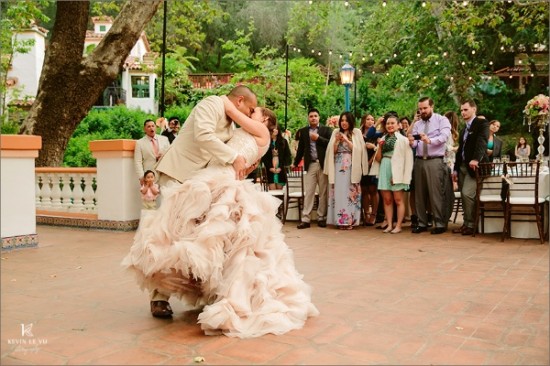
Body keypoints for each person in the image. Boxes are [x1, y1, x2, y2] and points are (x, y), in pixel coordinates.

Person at [122, 102, 319, 338]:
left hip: (219, 181)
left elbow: (234, 112)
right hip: (207, 177)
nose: (250, 112)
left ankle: (225, 294)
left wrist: (228, 103)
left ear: (265, 120)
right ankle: (174, 292)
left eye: (254, 112)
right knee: (198, 234)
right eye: (250, 108)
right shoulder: (238, 126)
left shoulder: (260, 130)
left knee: (210, 238)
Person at [146, 86, 257, 318]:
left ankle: (195, 291)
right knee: (168, 235)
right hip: (176, 175)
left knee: (193, 240)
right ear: (239, 101)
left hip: (197, 186)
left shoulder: (231, 124)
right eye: (251, 108)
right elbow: (203, 136)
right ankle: (158, 297)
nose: (250, 113)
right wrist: (233, 157)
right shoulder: (212, 104)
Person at [409, 97, 452, 235]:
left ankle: (439, 223)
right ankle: (422, 223)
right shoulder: (417, 124)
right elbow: (415, 143)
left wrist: (430, 140)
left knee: (436, 193)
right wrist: (411, 142)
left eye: (425, 108)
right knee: (419, 194)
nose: (422, 111)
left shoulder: (442, 120)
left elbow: (444, 137)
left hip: (435, 160)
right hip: (420, 160)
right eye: (420, 109)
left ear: (432, 106)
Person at [324, 112, 368, 230]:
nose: (344, 123)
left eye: (346, 120)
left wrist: (346, 140)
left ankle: (350, 221)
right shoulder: (335, 132)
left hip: (351, 165)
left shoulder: (356, 132)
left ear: (351, 121)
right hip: (338, 165)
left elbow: (359, 150)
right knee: (339, 192)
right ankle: (339, 221)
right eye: (342, 120)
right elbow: (331, 152)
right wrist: (337, 141)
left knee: (351, 192)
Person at [452, 100, 489, 236]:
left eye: (465, 110)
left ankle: (472, 225)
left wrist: (476, 159)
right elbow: (460, 150)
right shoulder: (463, 129)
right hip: (462, 166)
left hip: (475, 167)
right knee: (463, 195)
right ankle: (466, 224)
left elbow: (482, 142)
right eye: (461, 110)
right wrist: (455, 169)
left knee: (468, 194)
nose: (463, 112)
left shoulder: (482, 124)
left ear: (474, 109)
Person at [292, 108, 333, 229]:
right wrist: (295, 162)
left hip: (323, 164)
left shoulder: (326, 130)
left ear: (319, 117)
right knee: (309, 191)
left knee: (323, 192)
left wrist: (318, 138)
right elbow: (301, 149)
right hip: (310, 165)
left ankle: (322, 217)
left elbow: (331, 144)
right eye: (311, 116)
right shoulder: (304, 131)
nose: (313, 118)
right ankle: (305, 219)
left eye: (315, 116)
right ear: (308, 118)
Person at [374, 114, 414, 234]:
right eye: (387, 123)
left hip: (397, 168)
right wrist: (380, 147)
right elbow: (378, 158)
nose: (390, 125)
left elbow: (406, 159)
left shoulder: (402, 139)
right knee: (386, 199)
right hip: (384, 166)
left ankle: (399, 225)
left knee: (398, 199)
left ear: (398, 125)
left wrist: (398, 174)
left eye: (392, 123)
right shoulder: (383, 139)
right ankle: (390, 224)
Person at [134, 119, 170, 185]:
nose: (151, 128)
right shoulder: (140, 143)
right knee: (150, 195)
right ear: (144, 129)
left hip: (164, 173)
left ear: (155, 127)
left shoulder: (165, 139)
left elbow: (170, 155)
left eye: (153, 126)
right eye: (149, 126)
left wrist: (163, 156)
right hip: (149, 177)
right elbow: (138, 161)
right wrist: (141, 176)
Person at [359, 114, 379, 226]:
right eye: (368, 119)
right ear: (363, 120)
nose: (370, 121)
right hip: (360, 165)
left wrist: (370, 162)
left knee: (373, 189)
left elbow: (377, 150)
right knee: (364, 190)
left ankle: (373, 214)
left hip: (372, 163)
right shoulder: (358, 133)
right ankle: (366, 213)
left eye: (372, 119)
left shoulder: (376, 135)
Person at [261, 122, 291, 190]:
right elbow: (264, 157)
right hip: (270, 169)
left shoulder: (283, 141)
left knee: (280, 190)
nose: (275, 130)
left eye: (276, 129)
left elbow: (287, 156)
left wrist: (280, 167)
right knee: (272, 190)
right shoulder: (266, 142)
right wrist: (270, 168)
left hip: (281, 169)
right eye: (273, 129)